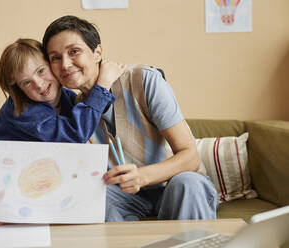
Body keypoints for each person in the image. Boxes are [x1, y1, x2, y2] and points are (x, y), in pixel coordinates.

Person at [42, 15, 219, 222]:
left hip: (175, 185)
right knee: (95, 197)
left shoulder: (143, 80)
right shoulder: (74, 109)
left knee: (188, 183)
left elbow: (190, 157)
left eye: (74, 51)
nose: (65, 64)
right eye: (55, 57)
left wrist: (142, 177)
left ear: (97, 52)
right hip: (126, 197)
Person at [0, 38, 125, 225]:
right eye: (26, 82)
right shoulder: (22, 109)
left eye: (41, 71)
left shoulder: (69, 98)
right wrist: (102, 85)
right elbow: (72, 136)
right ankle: (1, 216)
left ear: (53, 65)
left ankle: (12, 213)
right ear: (18, 89)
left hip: (33, 171)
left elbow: (94, 117)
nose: (38, 83)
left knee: (64, 193)